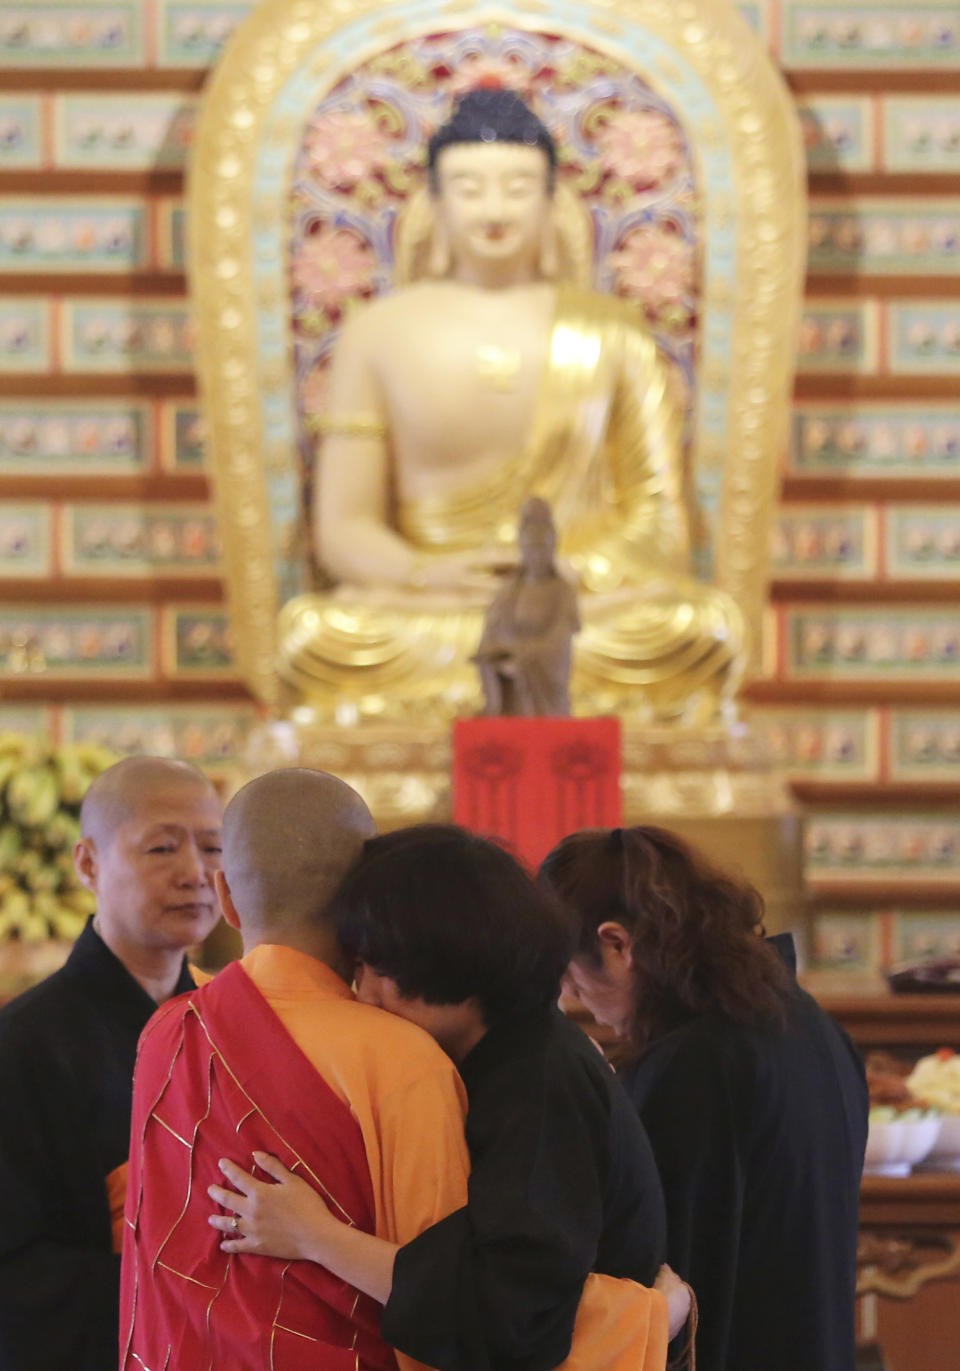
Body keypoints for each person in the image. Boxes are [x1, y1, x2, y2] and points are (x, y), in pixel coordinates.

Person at [277, 88, 745, 723]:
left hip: (576, 608)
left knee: (698, 629)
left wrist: (565, 578)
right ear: (434, 205)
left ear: (553, 203)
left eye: (518, 189)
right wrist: (425, 575)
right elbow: (343, 528)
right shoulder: (378, 332)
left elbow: (659, 522)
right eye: (469, 189)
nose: (494, 211)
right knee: (314, 636)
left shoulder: (612, 332)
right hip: (434, 609)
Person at [209, 823, 685, 1371]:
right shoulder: (503, 1051)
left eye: (374, 968)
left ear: (451, 960)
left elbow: (505, 1310)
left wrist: (315, 1237)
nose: (361, 995)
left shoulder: (538, 1081)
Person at [120, 769, 470, 1371]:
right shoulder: (404, 1058)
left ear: (225, 896)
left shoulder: (166, 1035)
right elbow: (440, 1303)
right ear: (367, 895)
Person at [540, 825, 869, 1371]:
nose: (575, 1000)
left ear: (616, 944)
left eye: (571, 977)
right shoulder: (809, 1023)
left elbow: (659, 1276)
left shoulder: (696, 1064)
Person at [0, 755, 223, 1371]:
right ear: (88, 864)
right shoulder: (24, 1045)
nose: (197, 874)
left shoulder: (229, 1025)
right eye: (161, 849)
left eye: (212, 847)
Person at [474, 497, 579, 716]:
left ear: (553, 545)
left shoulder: (563, 591)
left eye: (542, 546)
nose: (537, 553)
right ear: (521, 546)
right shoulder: (507, 592)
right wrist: (497, 659)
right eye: (531, 546)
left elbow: (559, 643)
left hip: (545, 680)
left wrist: (522, 656)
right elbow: (491, 637)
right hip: (508, 677)